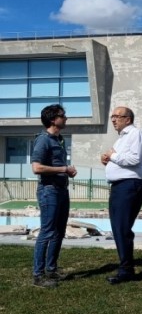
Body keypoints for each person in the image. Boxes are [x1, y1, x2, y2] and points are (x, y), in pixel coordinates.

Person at [101, 107, 142, 284]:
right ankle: (126, 267)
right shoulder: (122, 138)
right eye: (112, 116)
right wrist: (107, 158)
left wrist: (113, 156)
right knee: (119, 228)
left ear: (127, 119)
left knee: (122, 228)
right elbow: (117, 157)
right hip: (121, 185)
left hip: (130, 184)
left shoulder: (135, 134)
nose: (113, 120)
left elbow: (134, 159)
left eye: (117, 117)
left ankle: (126, 269)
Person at [31, 104, 77, 288]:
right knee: (47, 232)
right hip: (49, 190)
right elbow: (36, 168)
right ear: (53, 119)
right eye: (62, 115)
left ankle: (51, 269)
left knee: (59, 232)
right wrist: (63, 169)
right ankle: (38, 274)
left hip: (61, 190)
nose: (66, 118)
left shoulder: (60, 140)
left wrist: (66, 172)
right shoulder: (43, 140)